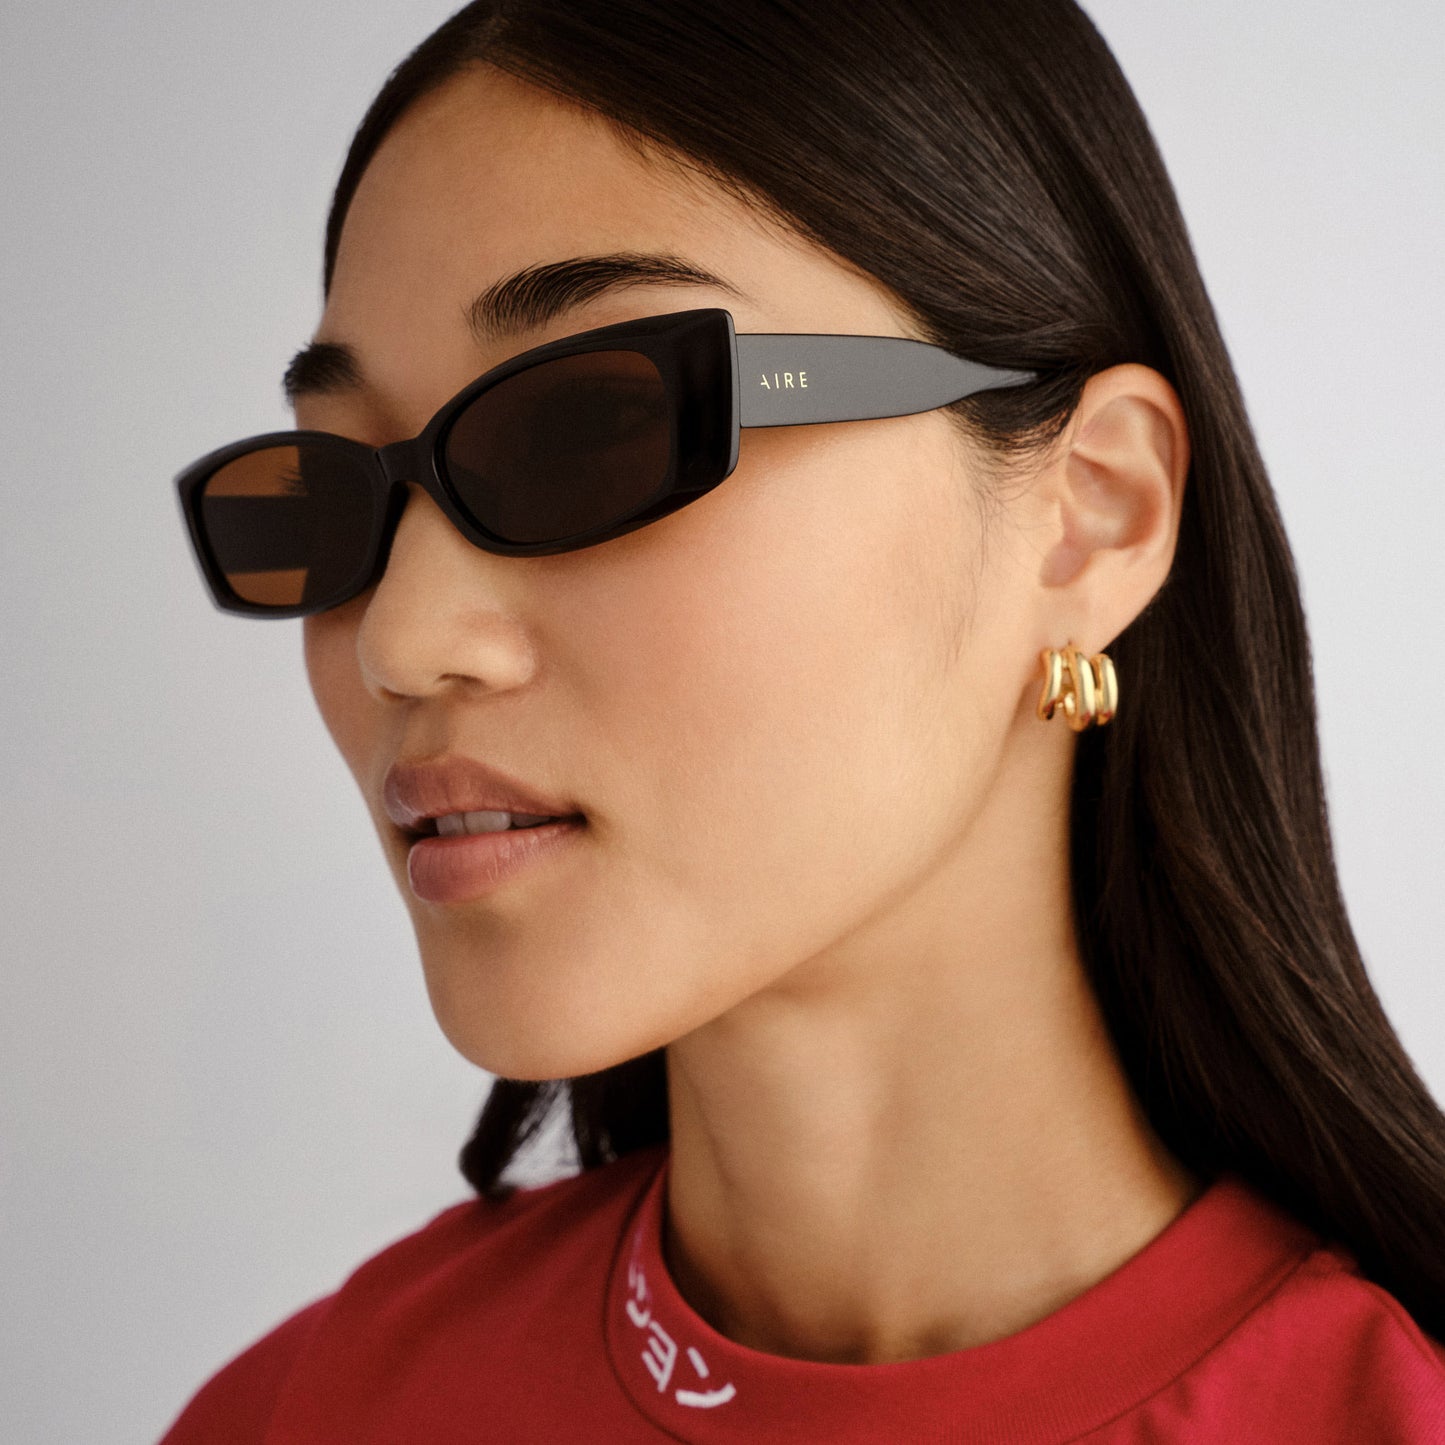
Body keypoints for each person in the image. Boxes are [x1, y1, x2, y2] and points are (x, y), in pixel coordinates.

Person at [160, 1, 1445, 1439]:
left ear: (1092, 513)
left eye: (594, 429)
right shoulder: (305, 1412)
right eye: (331, 493)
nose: (398, 639)